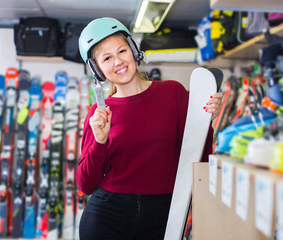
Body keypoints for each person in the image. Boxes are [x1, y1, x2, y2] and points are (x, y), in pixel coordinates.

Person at [76, 17, 223, 240]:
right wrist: (100, 142)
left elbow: (198, 160)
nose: (118, 61)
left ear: (134, 50)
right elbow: (85, 184)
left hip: (163, 214)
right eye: (107, 58)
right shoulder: (99, 114)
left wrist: (206, 122)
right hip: (107, 216)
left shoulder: (172, 93)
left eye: (122, 51)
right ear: (97, 70)